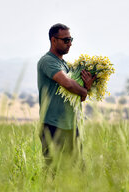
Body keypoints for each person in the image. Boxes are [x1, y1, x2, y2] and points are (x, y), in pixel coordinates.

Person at [37, 23, 95, 167]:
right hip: (52, 125)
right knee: (52, 171)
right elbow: (67, 84)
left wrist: (86, 87)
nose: (69, 44)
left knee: (78, 171)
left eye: (71, 40)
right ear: (53, 40)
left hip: (70, 125)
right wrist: (84, 90)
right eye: (65, 40)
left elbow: (79, 97)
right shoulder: (48, 61)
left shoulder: (66, 65)